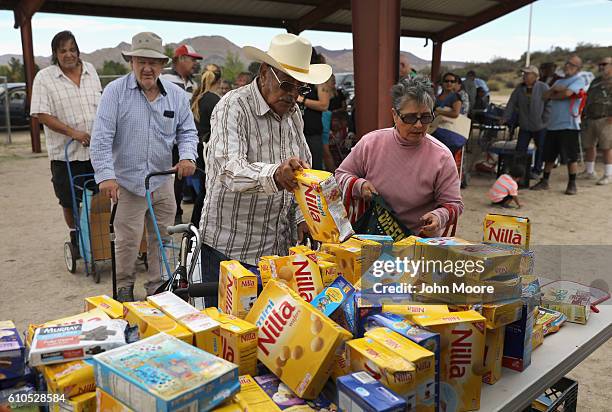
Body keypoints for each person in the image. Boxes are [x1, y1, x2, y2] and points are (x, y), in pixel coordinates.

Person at [199, 33, 331, 306]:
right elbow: (228, 168)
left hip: (277, 253)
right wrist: (274, 174)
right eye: (286, 85)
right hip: (232, 250)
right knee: (230, 336)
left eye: (301, 89)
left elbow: (301, 168)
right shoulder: (233, 106)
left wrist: (300, 216)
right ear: (263, 73)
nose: (293, 95)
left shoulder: (294, 112)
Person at [90, 32, 198, 302]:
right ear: (132, 62)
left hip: (163, 181)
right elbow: (101, 137)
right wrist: (106, 176)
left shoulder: (176, 95)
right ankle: (124, 288)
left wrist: (187, 157)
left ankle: (158, 288)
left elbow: (187, 132)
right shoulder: (115, 92)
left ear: (162, 66)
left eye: (153, 62)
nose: (147, 68)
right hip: (127, 183)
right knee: (126, 240)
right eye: (141, 61)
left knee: (162, 237)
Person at [335, 76, 463, 236]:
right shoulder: (371, 143)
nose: (418, 125)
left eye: (425, 117)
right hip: (372, 235)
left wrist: (439, 216)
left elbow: (454, 204)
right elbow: (341, 175)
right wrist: (358, 185)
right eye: (410, 118)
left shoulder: (441, 156)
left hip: (417, 241)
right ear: (395, 115)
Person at [30, 31, 101, 255]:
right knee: (69, 200)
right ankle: (76, 236)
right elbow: (41, 114)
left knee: (101, 196)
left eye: (72, 49)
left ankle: (99, 239)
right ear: (55, 54)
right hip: (65, 155)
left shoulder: (91, 70)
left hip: (96, 152)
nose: (69, 55)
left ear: (78, 51)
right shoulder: (44, 77)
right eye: (63, 51)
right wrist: (74, 133)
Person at [531, 55, 589, 195]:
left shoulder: (579, 80)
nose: (568, 66)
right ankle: (545, 181)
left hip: (569, 124)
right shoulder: (560, 81)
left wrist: (555, 93)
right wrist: (556, 92)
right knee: (549, 155)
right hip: (553, 124)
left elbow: (568, 93)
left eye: (573, 65)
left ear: (578, 68)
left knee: (570, 156)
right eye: (567, 63)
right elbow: (545, 96)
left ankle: (572, 183)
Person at [163, 44, 203, 224]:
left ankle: (176, 210)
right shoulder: (165, 79)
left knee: (181, 177)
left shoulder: (193, 84)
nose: (194, 63)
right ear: (179, 59)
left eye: (195, 60)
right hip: (167, 139)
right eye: (191, 59)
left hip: (184, 139)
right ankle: (167, 212)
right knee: (167, 177)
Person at [502, 65, 551, 178]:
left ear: (535, 76)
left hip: (540, 125)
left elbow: (549, 104)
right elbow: (512, 103)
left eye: (527, 74)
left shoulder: (543, 87)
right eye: (524, 74)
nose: (524, 76)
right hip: (525, 125)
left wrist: (545, 119)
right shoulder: (519, 88)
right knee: (520, 149)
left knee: (541, 148)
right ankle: (519, 172)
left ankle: (537, 170)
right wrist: (506, 117)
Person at [190, 64, 222, 226]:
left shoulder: (197, 97)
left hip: (199, 147)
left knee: (203, 190)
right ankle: (198, 225)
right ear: (220, 80)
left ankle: (195, 225)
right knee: (206, 191)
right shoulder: (215, 100)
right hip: (208, 149)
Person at [580, 57, 612, 185]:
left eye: (604, 64)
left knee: (606, 147)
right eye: (600, 64)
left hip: (606, 118)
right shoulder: (596, 81)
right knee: (589, 145)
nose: (601, 67)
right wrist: (584, 112)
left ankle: (608, 174)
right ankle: (589, 171)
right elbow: (588, 97)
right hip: (591, 117)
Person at [298, 49, 331, 170]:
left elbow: (324, 105)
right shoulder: (298, 77)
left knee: (315, 167)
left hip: (312, 132)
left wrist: (302, 100)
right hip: (297, 131)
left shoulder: (319, 79)